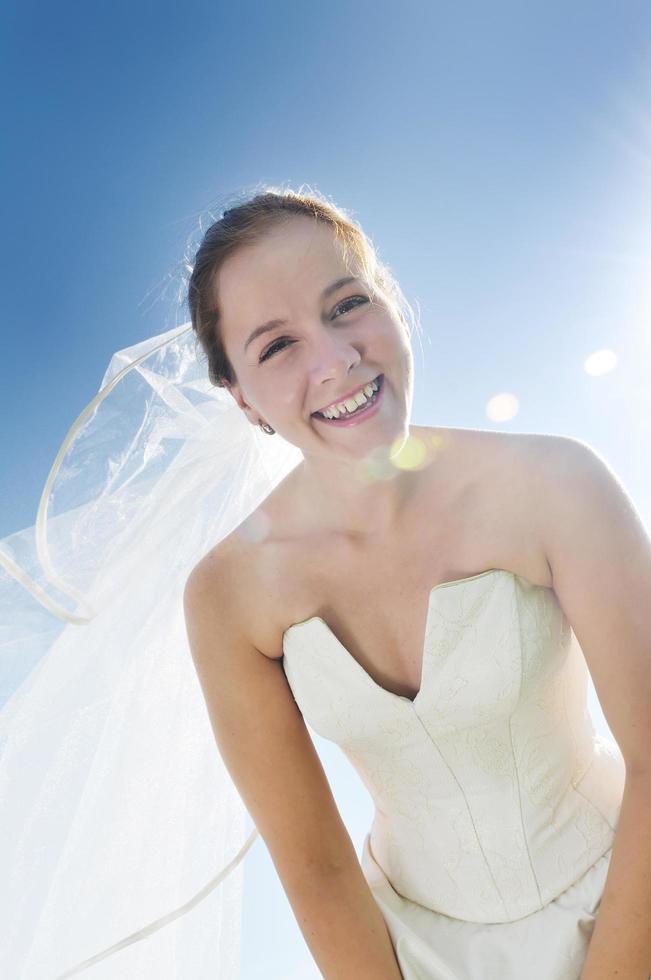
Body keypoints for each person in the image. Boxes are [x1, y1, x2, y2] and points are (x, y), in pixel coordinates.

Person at [0, 186, 647, 979]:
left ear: (390, 303)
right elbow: (315, 866)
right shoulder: (229, 597)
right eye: (276, 347)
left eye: (346, 305)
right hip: (414, 955)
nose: (336, 360)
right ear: (240, 399)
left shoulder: (555, 482)